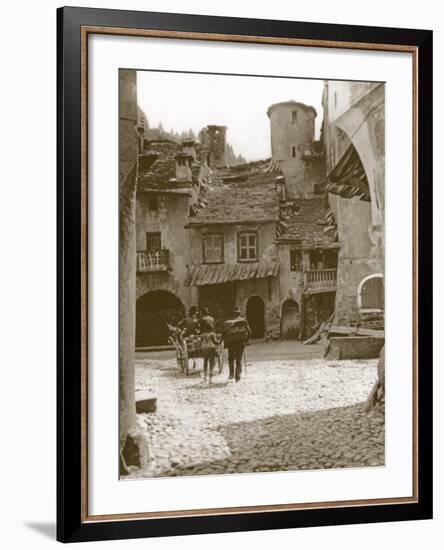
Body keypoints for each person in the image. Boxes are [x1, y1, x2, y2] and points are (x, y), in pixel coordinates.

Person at [223, 306, 251, 382]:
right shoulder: (244, 321)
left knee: (230, 359)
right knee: (239, 360)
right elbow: (249, 332)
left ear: (233, 314)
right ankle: (237, 377)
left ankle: (231, 374)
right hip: (240, 343)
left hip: (231, 343)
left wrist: (226, 341)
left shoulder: (228, 322)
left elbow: (224, 333)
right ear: (239, 313)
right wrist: (246, 341)